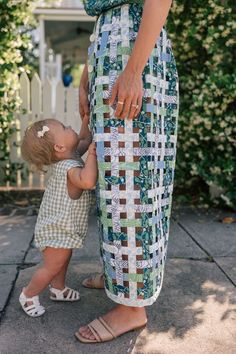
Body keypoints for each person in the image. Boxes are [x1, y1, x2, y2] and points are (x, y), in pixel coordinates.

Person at [76, 0, 179, 343]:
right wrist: (87, 74)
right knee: (112, 180)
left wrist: (134, 71)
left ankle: (132, 306)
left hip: (134, 59)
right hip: (110, 56)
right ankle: (118, 276)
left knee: (133, 183)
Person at [19, 117, 97, 317]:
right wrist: (94, 156)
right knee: (51, 267)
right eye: (65, 127)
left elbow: (84, 139)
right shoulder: (68, 168)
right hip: (56, 229)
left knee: (63, 260)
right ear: (60, 147)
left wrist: (85, 121)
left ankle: (58, 289)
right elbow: (87, 181)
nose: (69, 126)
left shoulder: (70, 155)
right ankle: (28, 294)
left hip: (62, 227)